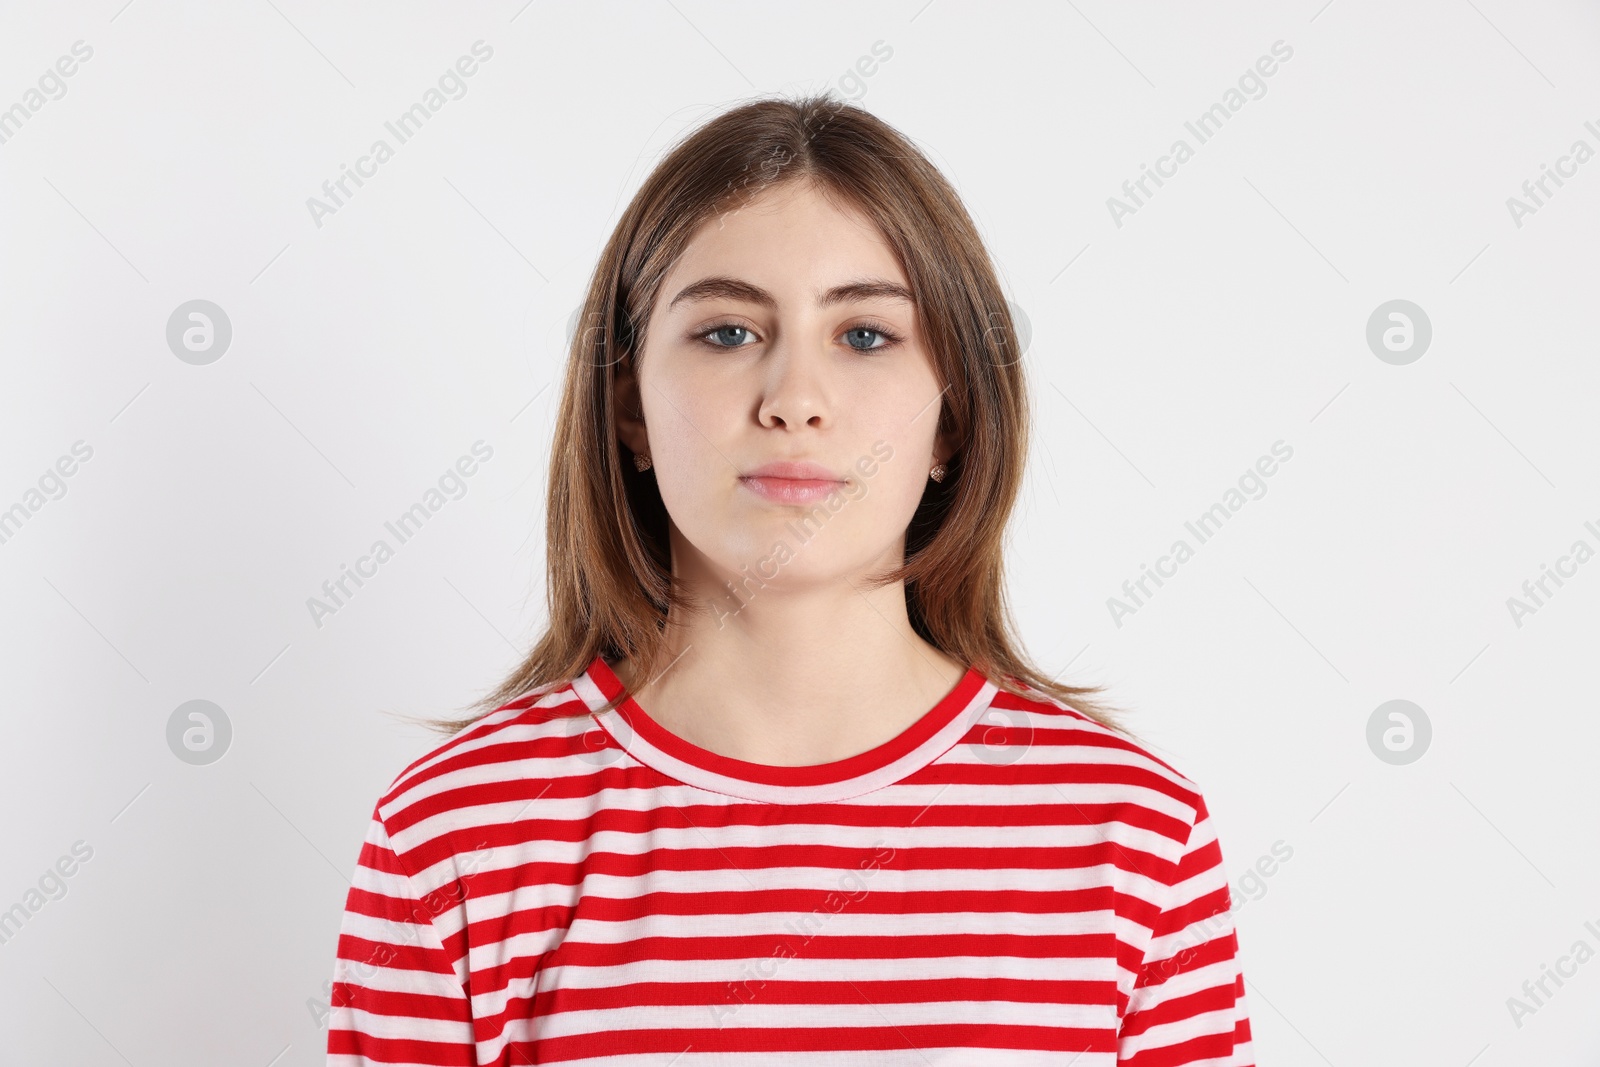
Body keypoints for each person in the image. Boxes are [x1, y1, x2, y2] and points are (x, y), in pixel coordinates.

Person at [325, 93, 1254, 1066]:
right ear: (628, 406)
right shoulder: (456, 836)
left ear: (954, 415)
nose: (794, 400)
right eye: (727, 331)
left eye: (864, 335)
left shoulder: (1134, 840)